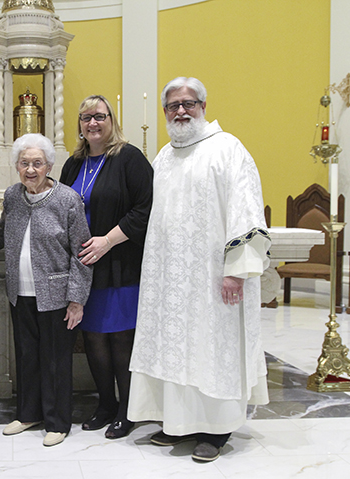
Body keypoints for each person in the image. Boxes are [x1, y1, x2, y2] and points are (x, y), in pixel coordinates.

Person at [128, 77, 271, 462]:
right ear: (164, 113)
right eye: (173, 106)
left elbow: (245, 210)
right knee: (174, 347)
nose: (181, 111)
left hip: (213, 280)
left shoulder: (228, 149)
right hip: (170, 279)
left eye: (188, 103)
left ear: (203, 106)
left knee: (210, 348)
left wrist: (235, 270)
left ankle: (216, 430)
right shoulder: (163, 156)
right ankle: (178, 423)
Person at [59, 95, 153, 439]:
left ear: (112, 120)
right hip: (85, 268)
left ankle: (128, 409)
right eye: (86, 118)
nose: (92, 123)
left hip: (119, 264)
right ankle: (105, 404)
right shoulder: (73, 164)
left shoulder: (129, 158)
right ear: (80, 125)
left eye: (99, 116)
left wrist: (107, 241)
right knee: (94, 338)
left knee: (120, 341)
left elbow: (144, 208)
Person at [0, 134, 92, 447]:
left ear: (49, 165)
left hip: (56, 296)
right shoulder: (12, 196)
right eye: (24, 163)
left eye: (37, 163)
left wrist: (77, 300)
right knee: (26, 357)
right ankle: (28, 414)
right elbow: (0, 233)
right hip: (18, 292)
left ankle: (58, 421)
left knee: (55, 360)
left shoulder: (67, 199)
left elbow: (82, 253)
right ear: (17, 167)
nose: (31, 169)